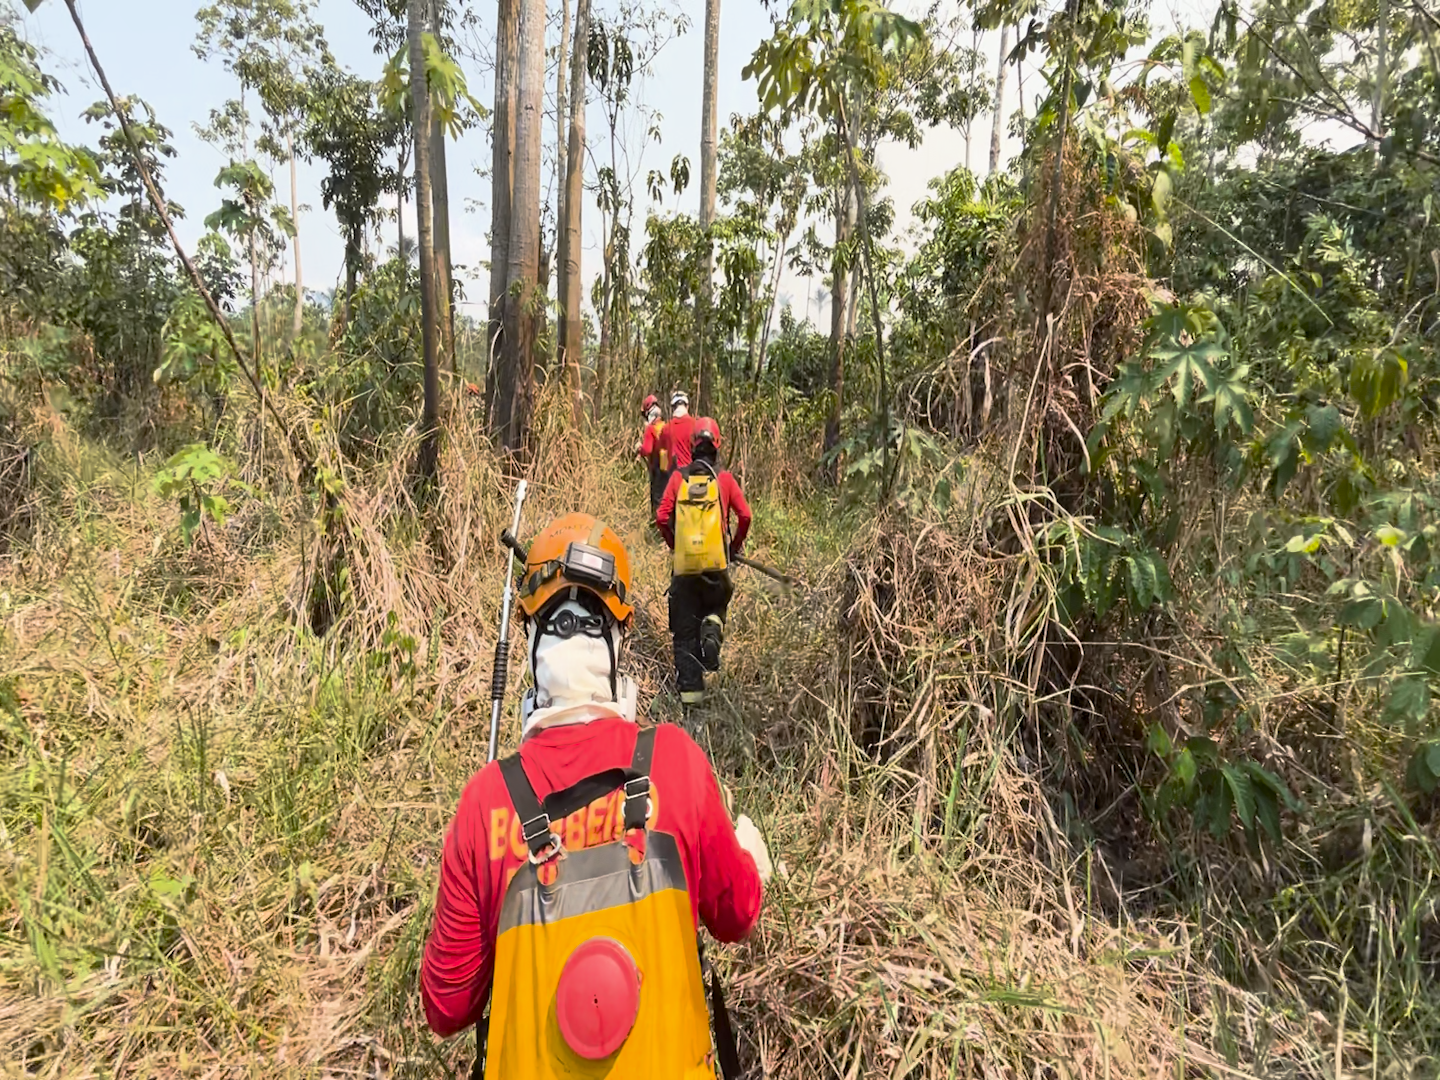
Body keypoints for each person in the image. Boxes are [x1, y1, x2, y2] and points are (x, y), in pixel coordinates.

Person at [419, 512, 772, 1077]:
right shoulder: (674, 762)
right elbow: (737, 917)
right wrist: (750, 857)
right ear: (617, 638)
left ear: (532, 638)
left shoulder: (485, 803)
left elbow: (445, 1008)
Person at [656, 418, 751, 710]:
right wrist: (732, 548)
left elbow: (661, 517)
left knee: (684, 636)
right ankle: (712, 625)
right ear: (718, 444)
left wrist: (676, 546)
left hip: (684, 572)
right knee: (715, 606)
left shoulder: (677, 479)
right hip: (715, 569)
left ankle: (692, 707)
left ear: (693, 445)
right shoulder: (725, 480)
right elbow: (745, 516)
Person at [635, 393, 668, 519]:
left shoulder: (650, 429)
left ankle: (657, 528)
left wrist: (639, 448)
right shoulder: (665, 426)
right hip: (667, 467)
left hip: (657, 468)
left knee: (657, 498)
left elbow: (647, 449)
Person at [656, 390, 698, 481]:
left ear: (673, 408)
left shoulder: (666, 429)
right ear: (687, 406)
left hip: (674, 478)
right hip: (693, 477)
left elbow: (661, 455)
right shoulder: (696, 425)